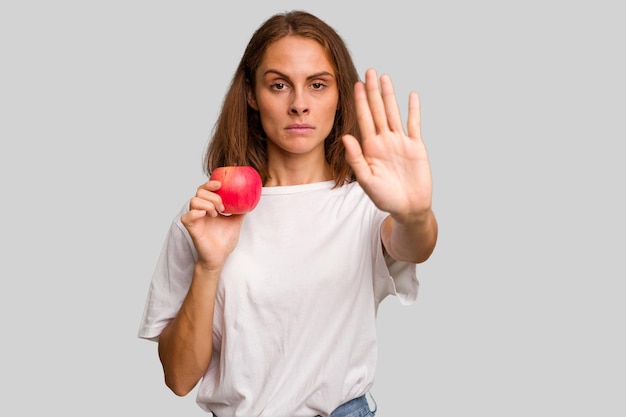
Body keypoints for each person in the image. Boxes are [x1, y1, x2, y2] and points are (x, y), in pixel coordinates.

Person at [138, 9, 438, 417]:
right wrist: (208, 267)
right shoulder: (206, 216)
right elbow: (178, 378)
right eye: (279, 85)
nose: (299, 105)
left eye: (317, 85)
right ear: (251, 94)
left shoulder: (364, 206)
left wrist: (416, 213)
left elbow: (414, 244)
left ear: (340, 96)